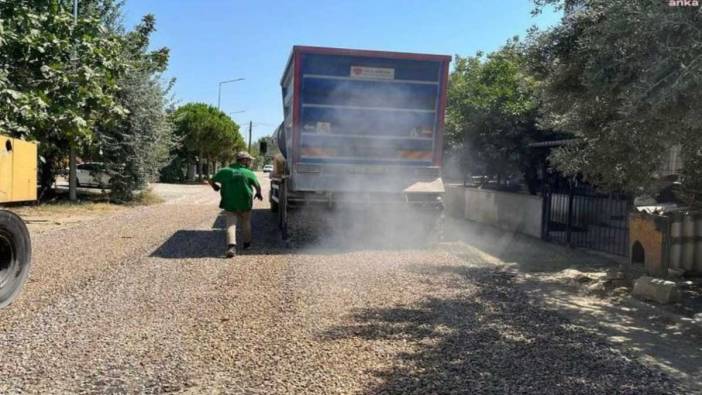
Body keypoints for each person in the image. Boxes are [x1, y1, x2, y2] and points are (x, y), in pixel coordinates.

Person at [209, 151, 263, 258]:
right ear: (244, 161)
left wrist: (215, 186)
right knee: (246, 222)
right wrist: (259, 193)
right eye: (249, 160)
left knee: (231, 224)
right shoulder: (248, 172)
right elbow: (257, 185)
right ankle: (247, 244)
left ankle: (231, 247)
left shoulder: (225, 171)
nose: (250, 162)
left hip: (229, 202)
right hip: (245, 202)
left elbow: (211, 180)